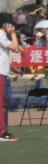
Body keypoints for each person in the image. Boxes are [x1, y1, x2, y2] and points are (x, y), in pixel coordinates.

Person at [0, 14, 18, 142]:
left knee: (2, 104)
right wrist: (13, 34)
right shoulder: (1, 34)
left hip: (3, 72)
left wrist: (11, 67)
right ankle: (2, 132)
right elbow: (15, 48)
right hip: (0, 73)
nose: (11, 26)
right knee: (2, 104)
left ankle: (3, 131)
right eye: (9, 24)